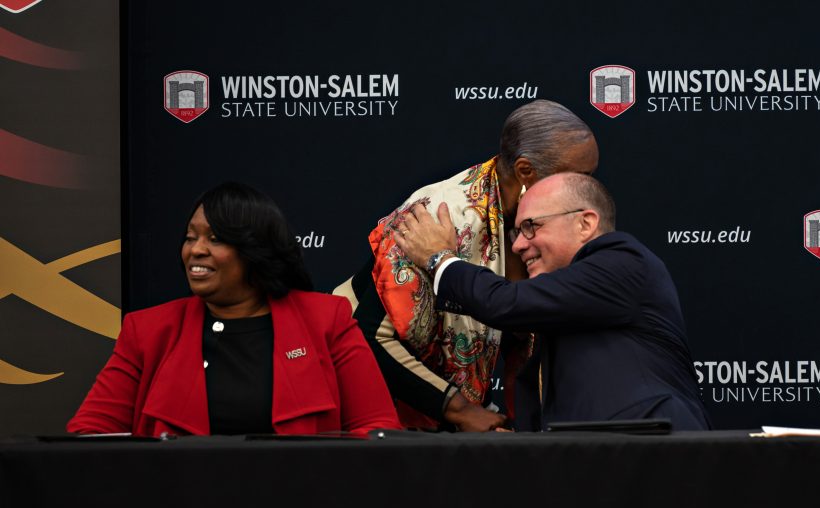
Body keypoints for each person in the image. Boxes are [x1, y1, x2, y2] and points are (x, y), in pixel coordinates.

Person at [333, 99, 598, 431]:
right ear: (525, 171)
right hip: (375, 404)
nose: (590, 192)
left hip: (450, 409)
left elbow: (522, 334)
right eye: (580, 178)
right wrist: (459, 410)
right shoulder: (435, 214)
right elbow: (368, 336)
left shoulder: (540, 223)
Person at [68, 182, 401, 436]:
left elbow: (377, 430)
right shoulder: (147, 331)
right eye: (190, 237)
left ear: (255, 250)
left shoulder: (328, 320)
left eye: (215, 239)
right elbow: (91, 437)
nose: (195, 250)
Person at [393, 172, 711, 431]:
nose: (517, 245)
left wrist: (440, 259)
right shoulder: (568, 309)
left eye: (531, 226)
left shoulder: (623, 261)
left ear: (585, 223)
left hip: (660, 459)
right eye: (516, 231)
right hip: (598, 475)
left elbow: (505, 303)